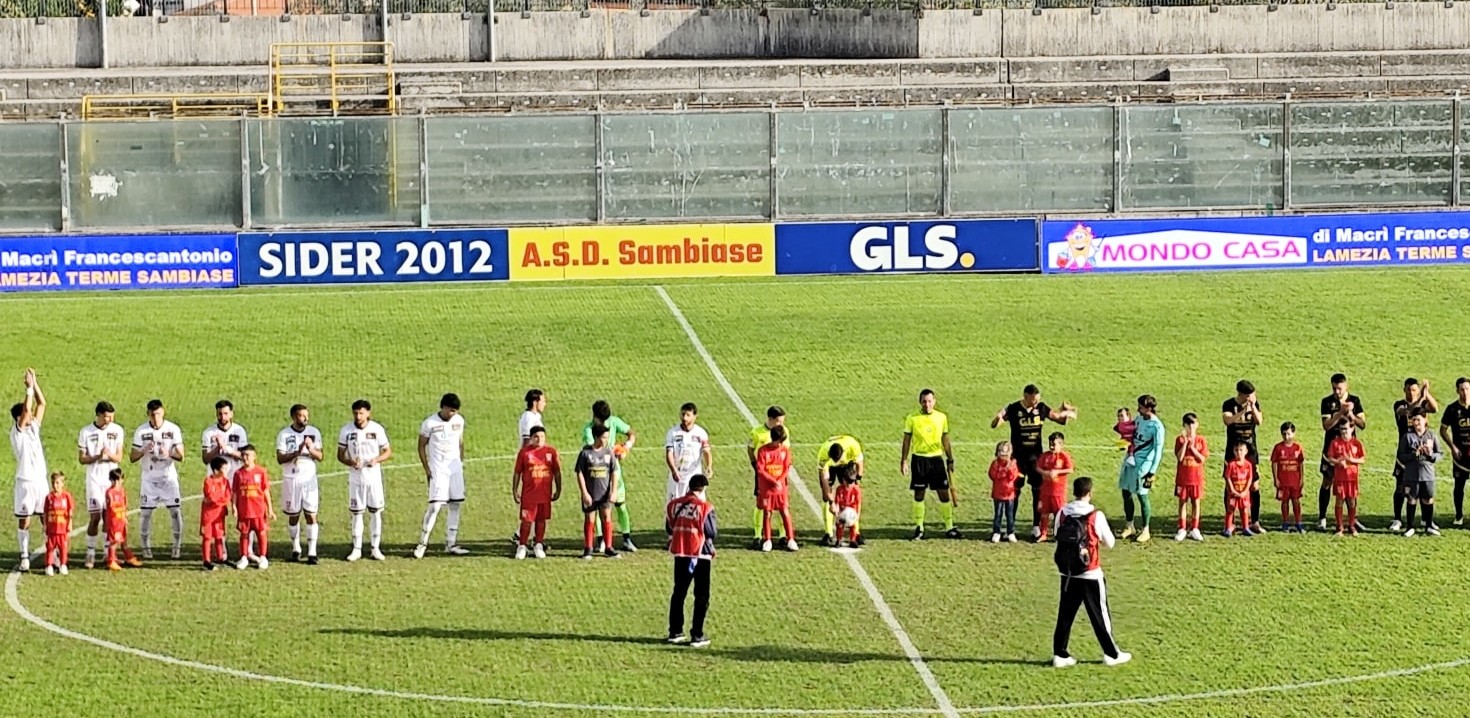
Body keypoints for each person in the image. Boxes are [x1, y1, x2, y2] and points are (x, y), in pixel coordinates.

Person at [1051, 476, 1128, 668]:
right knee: (1100, 614)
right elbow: (1110, 543)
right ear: (1090, 492)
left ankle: (1060, 654)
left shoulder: (1063, 512)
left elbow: (1056, 534)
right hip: (1091, 572)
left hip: (1067, 572)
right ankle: (1112, 653)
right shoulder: (1096, 515)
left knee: (1065, 615)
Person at [991, 385, 1077, 539]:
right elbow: (995, 424)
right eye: (1034, 400)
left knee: (1038, 492)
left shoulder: (1042, 408)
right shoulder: (1013, 408)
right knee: (1013, 492)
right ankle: (1011, 527)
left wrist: (1068, 412)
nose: (1036, 403)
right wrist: (997, 418)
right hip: (1017, 459)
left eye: (1038, 399)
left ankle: (1036, 526)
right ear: (1026, 397)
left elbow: (1060, 420)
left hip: (1036, 459)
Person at [129, 398, 184, 560]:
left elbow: (181, 455)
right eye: (153, 415)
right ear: (148, 414)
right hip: (149, 477)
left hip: (168, 477)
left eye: (159, 414)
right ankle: (146, 547)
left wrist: (170, 453)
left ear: (163, 412)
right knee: (146, 513)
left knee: (175, 511)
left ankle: (177, 546)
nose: (156, 418)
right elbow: (132, 457)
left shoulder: (173, 429)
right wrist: (144, 450)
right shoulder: (141, 431)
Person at [416, 393, 469, 560]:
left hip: (454, 469)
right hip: (438, 470)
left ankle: (451, 544)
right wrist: (427, 469)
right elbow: (421, 446)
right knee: (435, 506)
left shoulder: (459, 421)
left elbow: (460, 442)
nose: (453, 414)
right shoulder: (430, 423)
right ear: (443, 407)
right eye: (451, 410)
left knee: (455, 504)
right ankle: (422, 543)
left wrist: (460, 463)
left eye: (455, 411)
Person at [337, 399, 392, 562]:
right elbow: (340, 455)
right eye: (355, 413)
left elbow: (387, 451)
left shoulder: (377, 429)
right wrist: (351, 462)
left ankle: (375, 548)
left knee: (375, 512)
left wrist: (377, 459)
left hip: (374, 478)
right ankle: (357, 549)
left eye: (361, 413)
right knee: (357, 513)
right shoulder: (346, 431)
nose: (358, 416)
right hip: (356, 479)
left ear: (368, 413)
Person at [667, 473, 717, 648]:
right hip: (700, 554)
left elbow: (669, 526)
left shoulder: (673, 505)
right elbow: (711, 532)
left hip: (680, 553)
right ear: (702, 489)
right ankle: (697, 634)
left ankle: (675, 631)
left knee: (679, 593)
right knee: (701, 596)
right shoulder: (705, 507)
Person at [904, 389, 959, 540]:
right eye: (924, 401)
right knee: (919, 494)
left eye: (929, 401)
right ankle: (919, 527)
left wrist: (950, 458)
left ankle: (949, 527)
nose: (927, 404)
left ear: (934, 401)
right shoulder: (912, 418)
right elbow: (907, 440)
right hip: (919, 459)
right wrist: (904, 460)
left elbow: (945, 439)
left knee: (943, 493)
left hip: (936, 460)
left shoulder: (941, 417)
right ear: (920, 402)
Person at [582, 400, 637, 553]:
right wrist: (614, 452)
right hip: (598, 474)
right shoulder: (588, 430)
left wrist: (626, 447)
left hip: (614, 473)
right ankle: (601, 541)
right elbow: (595, 449)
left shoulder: (614, 422)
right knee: (600, 508)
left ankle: (626, 539)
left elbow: (631, 434)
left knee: (621, 505)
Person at [77, 400, 124, 570]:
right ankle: (90, 553)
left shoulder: (117, 430)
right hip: (95, 480)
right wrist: (97, 456)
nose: (109, 420)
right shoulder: (86, 432)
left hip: (111, 480)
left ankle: (107, 552)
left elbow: (119, 457)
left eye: (111, 417)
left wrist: (109, 455)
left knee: (109, 517)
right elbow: (82, 458)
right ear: (98, 415)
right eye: (106, 417)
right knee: (95, 516)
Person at [1317, 373, 1366, 532]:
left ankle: (1351, 520)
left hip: (1349, 448)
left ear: (1346, 386)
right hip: (1332, 447)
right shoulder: (1327, 402)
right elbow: (1326, 425)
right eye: (1334, 388)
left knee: (1349, 485)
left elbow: (1362, 424)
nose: (1336, 391)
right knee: (1327, 481)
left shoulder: (1355, 401)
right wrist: (1339, 412)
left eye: (1339, 388)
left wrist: (1350, 413)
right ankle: (1322, 517)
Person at [277, 404, 324, 564]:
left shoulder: (314, 432)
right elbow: (280, 458)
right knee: (293, 516)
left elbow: (320, 456)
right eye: (301, 416)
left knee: (311, 514)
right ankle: (296, 548)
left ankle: (312, 552)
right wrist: (296, 452)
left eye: (306, 415)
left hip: (309, 479)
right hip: (292, 479)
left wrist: (311, 449)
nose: (305, 418)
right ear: (294, 417)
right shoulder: (284, 434)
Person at [1391, 378, 1439, 532]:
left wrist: (1427, 393)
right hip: (1405, 449)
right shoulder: (1400, 405)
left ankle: (1426, 521)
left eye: (1414, 390)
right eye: (1409, 390)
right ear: (1404, 390)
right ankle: (1397, 519)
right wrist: (1422, 397)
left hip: (1421, 451)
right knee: (1400, 486)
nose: (1411, 393)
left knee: (1424, 488)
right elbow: (1410, 411)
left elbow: (1434, 408)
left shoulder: (1422, 401)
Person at [12, 368, 47, 572]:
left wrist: (35, 385)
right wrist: (28, 391)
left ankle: (51, 551)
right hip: (25, 481)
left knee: (45, 517)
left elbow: (42, 404)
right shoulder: (17, 433)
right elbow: (27, 412)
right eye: (28, 414)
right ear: (19, 418)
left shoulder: (33, 428)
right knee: (25, 519)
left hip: (40, 480)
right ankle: (24, 555)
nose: (33, 416)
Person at [1221, 380, 1265, 533]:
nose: (1251, 397)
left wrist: (1252, 407)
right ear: (1241, 394)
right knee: (1230, 485)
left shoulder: (1254, 404)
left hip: (1250, 450)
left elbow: (1259, 421)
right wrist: (1241, 411)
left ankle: (1255, 521)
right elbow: (1228, 420)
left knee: (1254, 485)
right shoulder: (1228, 404)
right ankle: (1229, 522)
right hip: (1233, 450)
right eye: (1248, 395)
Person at [1118, 395, 1164, 543]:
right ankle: (1130, 525)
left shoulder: (1157, 427)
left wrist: (1152, 472)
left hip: (1144, 463)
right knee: (1126, 491)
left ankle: (1146, 529)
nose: (1138, 409)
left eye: (1141, 407)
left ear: (1149, 408)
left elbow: (1158, 450)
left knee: (1142, 495)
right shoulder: (1139, 419)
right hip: (1131, 459)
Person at [512, 426, 561, 560]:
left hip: (544, 494)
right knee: (526, 521)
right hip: (529, 495)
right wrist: (515, 490)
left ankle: (538, 544)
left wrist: (558, 489)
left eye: (542, 437)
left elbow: (557, 472)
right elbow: (517, 473)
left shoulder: (551, 452)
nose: (540, 440)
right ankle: (522, 545)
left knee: (541, 520)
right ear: (531, 438)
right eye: (537, 437)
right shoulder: (524, 453)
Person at [577, 422, 621, 560]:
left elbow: (614, 472)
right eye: (604, 437)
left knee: (606, 518)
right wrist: (584, 492)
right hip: (590, 494)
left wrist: (613, 491)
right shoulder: (586, 453)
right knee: (590, 520)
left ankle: (609, 547)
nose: (606, 440)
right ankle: (588, 548)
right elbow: (579, 473)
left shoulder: (609, 453)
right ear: (596, 437)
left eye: (607, 437)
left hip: (604, 494)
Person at [748, 406, 790, 548]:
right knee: (762, 505)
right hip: (764, 476)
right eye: (779, 421)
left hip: (779, 475)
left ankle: (783, 535)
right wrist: (755, 464)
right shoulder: (757, 433)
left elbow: (786, 451)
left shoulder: (784, 432)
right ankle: (758, 534)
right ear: (770, 419)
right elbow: (750, 448)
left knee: (782, 505)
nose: (781, 425)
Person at [1398, 407, 1442, 537]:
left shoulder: (1432, 435)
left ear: (1425, 420)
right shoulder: (1407, 437)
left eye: (1418, 420)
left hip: (1428, 474)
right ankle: (1410, 527)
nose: (1416, 423)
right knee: (1412, 499)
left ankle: (1428, 525)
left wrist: (1430, 455)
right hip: (1412, 474)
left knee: (1428, 499)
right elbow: (1401, 456)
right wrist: (1413, 455)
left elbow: (1439, 454)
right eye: (1413, 420)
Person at [755, 425, 797, 553]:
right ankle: (767, 539)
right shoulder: (763, 451)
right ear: (774, 440)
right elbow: (760, 470)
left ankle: (791, 539)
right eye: (779, 441)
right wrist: (773, 481)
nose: (781, 444)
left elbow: (786, 467)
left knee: (784, 511)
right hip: (767, 488)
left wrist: (780, 480)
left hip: (780, 488)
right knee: (767, 513)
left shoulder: (785, 451)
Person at [817, 434, 865, 547]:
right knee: (826, 496)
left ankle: (856, 533)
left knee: (853, 492)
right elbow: (824, 478)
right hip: (830, 468)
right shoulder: (824, 454)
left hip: (847, 464)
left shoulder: (852, 446)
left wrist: (857, 481)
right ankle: (828, 533)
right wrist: (831, 502)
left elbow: (860, 464)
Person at [232, 445, 274, 570]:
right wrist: (234, 506)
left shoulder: (261, 472)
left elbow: (265, 491)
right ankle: (244, 557)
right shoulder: (238, 473)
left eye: (248, 455)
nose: (245, 458)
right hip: (244, 511)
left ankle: (263, 556)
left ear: (254, 457)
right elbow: (235, 492)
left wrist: (270, 509)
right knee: (244, 534)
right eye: (243, 455)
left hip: (258, 511)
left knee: (261, 533)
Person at [665, 403, 711, 506]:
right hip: (677, 477)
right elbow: (669, 453)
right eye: (683, 414)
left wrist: (709, 467)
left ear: (695, 416)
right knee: (674, 507)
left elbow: (706, 451)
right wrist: (674, 470)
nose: (684, 418)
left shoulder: (701, 433)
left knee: (698, 507)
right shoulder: (673, 433)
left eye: (687, 415)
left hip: (694, 478)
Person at [1440, 377, 1470, 525]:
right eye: (1462, 389)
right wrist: (1453, 447)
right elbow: (1443, 430)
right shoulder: (1452, 409)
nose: (1465, 392)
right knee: (1459, 485)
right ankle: (1458, 515)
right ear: (1457, 391)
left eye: (1467, 389)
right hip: (1460, 454)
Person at [1173, 413, 1207, 542]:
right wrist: (1185, 444)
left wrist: (1192, 448)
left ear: (1197, 425)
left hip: (1196, 478)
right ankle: (1182, 528)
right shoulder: (1179, 440)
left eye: (1193, 424)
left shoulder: (1201, 440)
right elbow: (1180, 458)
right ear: (1184, 426)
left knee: (1196, 502)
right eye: (1188, 425)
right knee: (1182, 503)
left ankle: (1195, 528)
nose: (1191, 428)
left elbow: (1202, 459)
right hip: (1182, 478)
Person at [1328, 423, 1366, 537]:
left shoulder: (1356, 444)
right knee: (1339, 500)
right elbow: (1330, 458)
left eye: (1346, 429)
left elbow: (1362, 459)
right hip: (1340, 478)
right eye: (1341, 429)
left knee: (1351, 501)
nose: (1344, 431)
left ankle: (1352, 525)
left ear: (1352, 428)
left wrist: (1350, 460)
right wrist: (1338, 462)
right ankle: (1339, 527)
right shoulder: (1335, 443)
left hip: (1352, 478)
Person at [1036, 433, 1074, 543]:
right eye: (1050, 444)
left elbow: (1070, 469)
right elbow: (1038, 468)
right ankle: (1043, 533)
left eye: (1054, 444)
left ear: (1061, 445)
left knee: (1059, 514)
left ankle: (1058, 534)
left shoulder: (1064, 456)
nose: (1052, 447)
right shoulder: (1045, 455)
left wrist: (1057, 471)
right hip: (1045, 491)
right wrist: (1045, 473)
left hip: (1058, 492)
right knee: (1044, 513)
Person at [102, 468, 142, 571]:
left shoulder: (122, 492)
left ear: (122, 480)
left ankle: (128, 557)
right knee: (114, 541)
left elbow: (124, 505)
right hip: (114, 521)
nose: (116, 483)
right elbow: (109, 507)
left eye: (118, 480)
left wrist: (125, 517)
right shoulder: (110, 492)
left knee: (124, 540)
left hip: (121, 520)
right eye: (113, 480)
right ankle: (111, 561)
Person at [201, 399, 248, 485]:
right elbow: (205, 459)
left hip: (235, 476)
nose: (223, 417)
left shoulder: (239, 431)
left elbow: (243, 456)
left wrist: (226, 448)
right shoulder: (208, 432)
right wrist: (218, 448)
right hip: (215, 478)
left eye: (226, 414)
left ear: (231, 414)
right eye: (220, 414)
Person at [1270, 422, 1307, 533]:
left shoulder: (1298, 448)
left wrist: (1301, 478)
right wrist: (1276, 478)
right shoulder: (1278, 448)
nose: (1287, 437)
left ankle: (1298, 522)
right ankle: (1285, 522)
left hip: (1295, 480)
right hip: (1283, 481)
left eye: (1289, 434)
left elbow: (1301, 464)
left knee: (1296, 501)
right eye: (1284, 434)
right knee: (1284, 501)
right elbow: (1274, 463)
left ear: (1293, 434)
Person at [200, 457, 230, 571]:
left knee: (219, 535)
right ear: (216, 470)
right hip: (208, 514)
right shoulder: (208, 481)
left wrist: (221, 500)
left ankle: (221, 557)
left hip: (219, 513)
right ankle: (206, 560)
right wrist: (220, 500)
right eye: (224, 469)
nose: (227, 471)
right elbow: (211, 497)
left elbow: (227, 496)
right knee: (207, 537)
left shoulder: (225, 482)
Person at [988, 441, 1020, 543]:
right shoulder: (995, 464)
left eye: (1005, 452)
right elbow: (993, 476)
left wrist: (1009, 469)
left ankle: (1010, 532)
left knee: (1010, 515)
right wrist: (1003, 472)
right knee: (998, 514)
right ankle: (996, 532)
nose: (1003, 454)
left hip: (1009, 495)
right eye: (1000, 451)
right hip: (998, 494)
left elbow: (1012, 477)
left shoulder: (1012, 464)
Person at [42, 472, 73, 576]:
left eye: (57, 483)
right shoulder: (49, 497)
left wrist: (70, 523)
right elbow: (46, 512)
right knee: (50, 548)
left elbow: (70, 511)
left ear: (62, 483)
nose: (55, 485)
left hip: (62, 528)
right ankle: (49, 565)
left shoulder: (66, 496)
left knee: (63, 548)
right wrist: (45, 525)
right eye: (53, 483)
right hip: (52, 529)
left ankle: (63, 564)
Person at [1223, 443, 1255, 537]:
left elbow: (1249, 478)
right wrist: (1232, 490)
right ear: (1233, 452)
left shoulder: (1248, 465)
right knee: (1230, 509)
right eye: (1236, 450)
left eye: (1241, 450)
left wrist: (1245, 491)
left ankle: (1246, 527)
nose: (1239, 452)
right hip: (1233, 493)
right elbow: (1227, 477)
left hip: (1244, 493)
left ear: (1246, 452)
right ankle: (1228, 528)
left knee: (1244, 509)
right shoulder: (1231, 465)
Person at [833, 471, 863, 548]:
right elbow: (836, 502)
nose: (850, 484)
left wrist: (858, 514)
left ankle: (852, 540)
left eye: (852, 482)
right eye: (848, 482)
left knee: (853, 526)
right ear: (843, 480)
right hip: (842, 511)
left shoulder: (856, 490)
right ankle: (839, 540)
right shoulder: (839, 489)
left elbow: (858, 503)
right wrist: (837, 513)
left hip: (852, 512)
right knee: (840, 525)